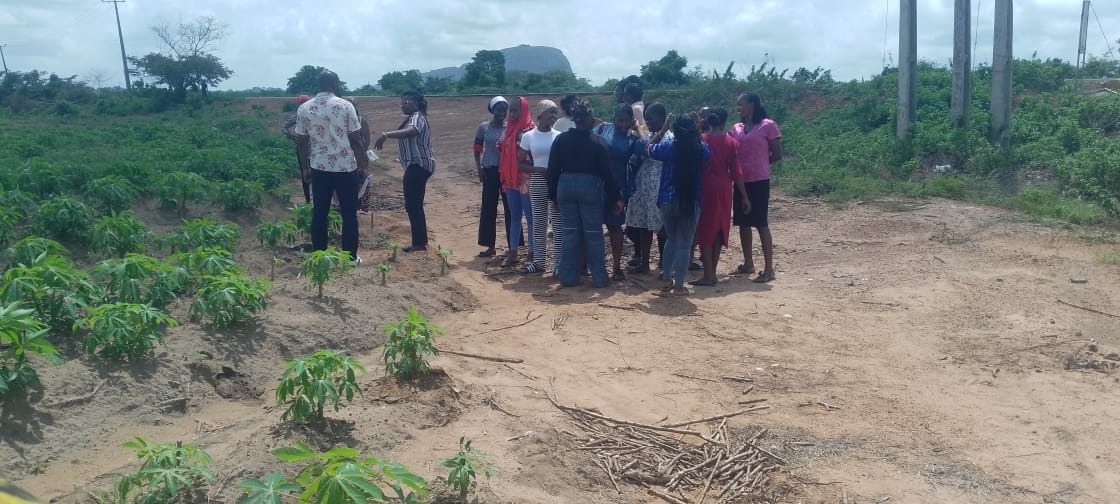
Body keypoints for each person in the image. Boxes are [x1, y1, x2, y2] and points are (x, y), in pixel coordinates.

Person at [295, 70, 367, 265]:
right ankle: (350, 258)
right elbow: (356, 140)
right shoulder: (345, 106)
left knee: (320, 212)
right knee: (349, 213)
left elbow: (302, 142)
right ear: (335, 84)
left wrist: (305, 168)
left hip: (319, 167)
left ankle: (319, 257)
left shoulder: (304, 108)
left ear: (319, 84)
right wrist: (362, 166)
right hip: (345, 168)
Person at [547, 99, 621, 288]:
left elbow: (552, 170)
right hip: (589, 187)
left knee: (569, 233)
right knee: (593, 234)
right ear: (587, 118)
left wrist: (553, 197)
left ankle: (568, 277)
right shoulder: (598, 141)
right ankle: (599, 278)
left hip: (565, 187)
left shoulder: (560, 140)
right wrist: (615, 197)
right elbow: (607, 173)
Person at [649, 115, 709, 297]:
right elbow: (707, 154)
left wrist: (663, 129)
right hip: (691, 201)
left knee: (671, 240)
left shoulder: (667, 147)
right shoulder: (701, 149)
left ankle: (666, 278)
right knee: (684, 245)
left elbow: (648, 148)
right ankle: (679, 287)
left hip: (667, 199)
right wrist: (697, 130)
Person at [729, 93, 782, 283]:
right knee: (743, 223)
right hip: (741, 180)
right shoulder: (736, 128)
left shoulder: (768, 125)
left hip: (759, 181)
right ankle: (748, 263)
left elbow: (777, 154)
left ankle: (769, 269)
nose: (738, 108)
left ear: (752, 104)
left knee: (760, 223)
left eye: (741, 104)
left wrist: (760, 163)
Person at [374, 90, 435, 253]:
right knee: (414, 205)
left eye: (406, 103)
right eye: (401, 103)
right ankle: (420, 242)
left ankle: (419, 244)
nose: (402, 106)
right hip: (417, 165)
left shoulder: (417, 117)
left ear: (416, 104)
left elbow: (412, 131)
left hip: (418, 164)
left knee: (413, 205)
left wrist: (386, 134)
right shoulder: (414, 116)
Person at [692, 107, 747, 286]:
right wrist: (744, 196)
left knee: (705, 229)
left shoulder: (701, 140)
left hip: (706, 186)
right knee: (719, 228)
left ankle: (708, 275)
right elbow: (737, 172)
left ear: (708, 123)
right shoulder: (732, 142)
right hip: (725, 187)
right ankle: (712, 272)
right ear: (723, 124)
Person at [593, 104, 641, 280]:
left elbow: (645, 147)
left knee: (615, 227)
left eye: (627, 121)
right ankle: (593, 265)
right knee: (594, 227)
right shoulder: (602, 129)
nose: (623, 124)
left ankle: (616, 267)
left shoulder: (632, 140)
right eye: (620, 120)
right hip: (597, 186)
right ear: (614, 118)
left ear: (632, 121)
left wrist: (637, 129)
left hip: (618, 189)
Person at [625, 103, 670, 274]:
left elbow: (648, 148)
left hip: (658, 188)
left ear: (662, 118)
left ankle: (664, 264)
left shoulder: (669, 138)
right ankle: (644, 263)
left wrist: (660, 131)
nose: (648, 121)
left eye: (651, 118)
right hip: (642, 188)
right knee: (644, 227)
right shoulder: (647, 134)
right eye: (647, 118)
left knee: (660, 229)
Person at [520, 99, 562, 274]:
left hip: (556, 181)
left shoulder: (558, 136)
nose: (554, 116)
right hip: (537, 180)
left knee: (558, 222)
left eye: (555, 112)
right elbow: (520, 164)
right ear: (540, 114)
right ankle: (538, 263)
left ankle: (559, 265)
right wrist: (538, 169)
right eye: (551, 112)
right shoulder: (528, 136)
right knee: (539, 222)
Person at [497, 96, 536, 268]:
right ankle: (513, 252)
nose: (511, 114)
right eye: (510, 110)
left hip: (526, 179)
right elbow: (500, 147)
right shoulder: (509, 129)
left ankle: (532, 253)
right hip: (511, 178)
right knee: (514, 216)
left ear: (524, 111)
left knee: (530, 217)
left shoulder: (531, 130)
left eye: (515, 110)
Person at [474, 96, 514, 258]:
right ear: (492, 110)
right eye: (498, 110)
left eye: (504, 110)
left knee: (510, 207)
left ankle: (514, 246)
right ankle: (490, 246)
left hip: (506, 172)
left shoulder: (511, 127)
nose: (501, 113)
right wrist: (479, 169)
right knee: (489, 208)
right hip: (489, 170)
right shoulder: (483, 128)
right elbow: (477, 149)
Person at [283, 94, 313, 203]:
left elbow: (284, 128)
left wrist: (293, 137)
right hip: (315, 149)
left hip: (301, 149)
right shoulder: (314, 114)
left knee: (304, 174)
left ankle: (308, 201)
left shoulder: (297, 116)